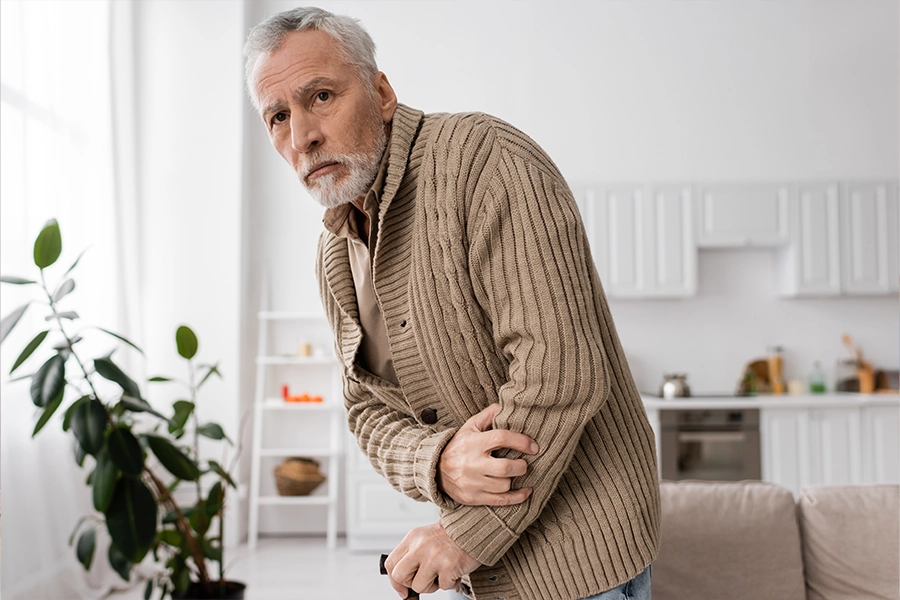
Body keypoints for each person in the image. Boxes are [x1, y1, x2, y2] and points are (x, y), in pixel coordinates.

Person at [244, 7, 660, 600]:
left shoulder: (486, 161)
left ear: (381, 92)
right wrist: (437, 462)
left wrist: (466, 533)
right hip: (487, 575)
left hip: (581, 558)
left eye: (322, 96)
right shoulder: (334, 253)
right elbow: (365, 410)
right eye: (278, 116)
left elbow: (561, 372)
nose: (302, 135)